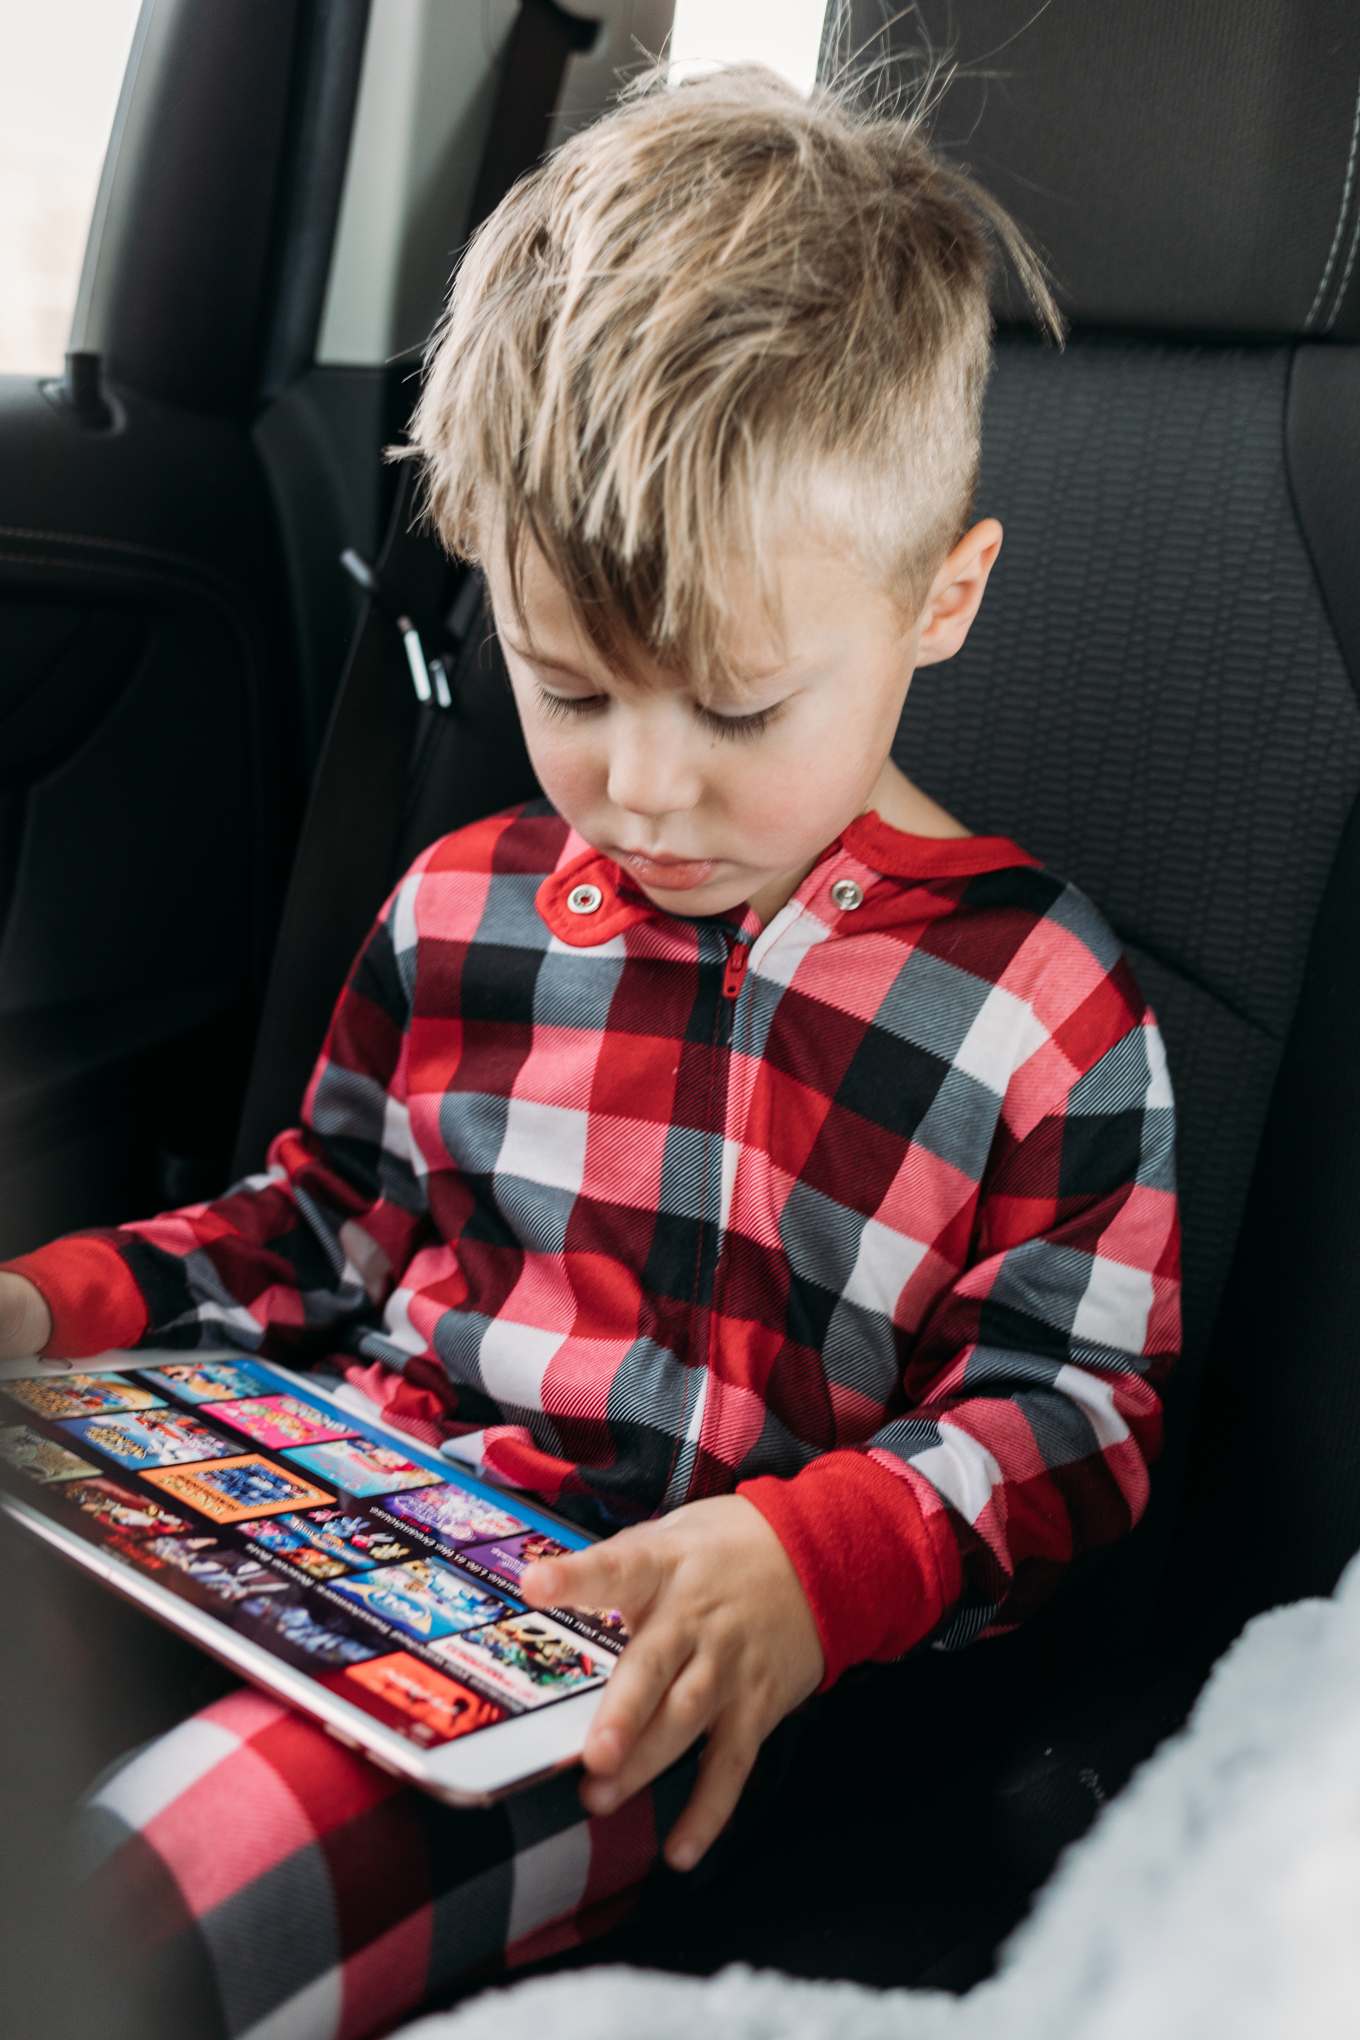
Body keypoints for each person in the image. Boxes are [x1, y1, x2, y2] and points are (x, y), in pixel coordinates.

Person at [0, 66, 1180, 2040]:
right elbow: (313, 1236)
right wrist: (59, 1305)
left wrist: (811, 1562)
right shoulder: (465, 904)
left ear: (939, 597)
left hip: (620, 1662)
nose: (637, 789)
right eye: (564, 689)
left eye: (733, 706)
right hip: (307, 1507)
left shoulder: (1033, 1005)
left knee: (162, 1898)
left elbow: (1073, 1424)